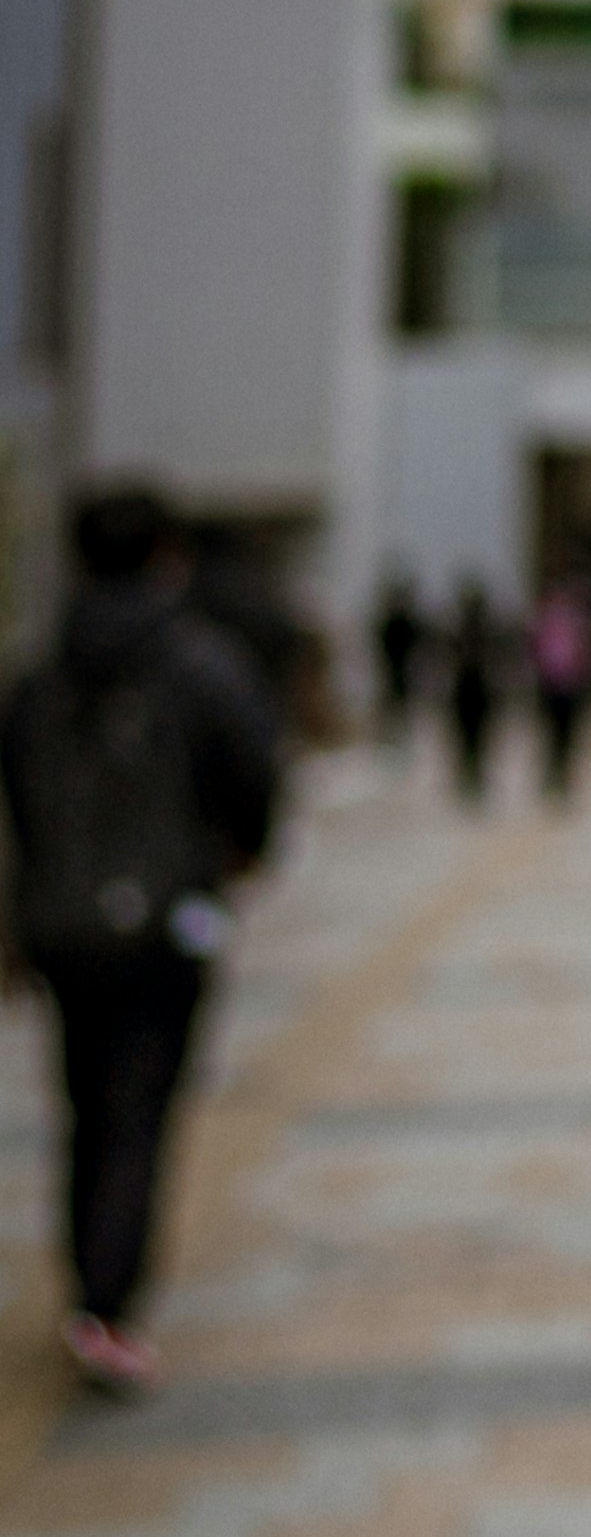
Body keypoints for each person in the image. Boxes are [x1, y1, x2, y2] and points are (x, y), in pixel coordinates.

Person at [2, 483, 283, 1390]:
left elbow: (18, 805)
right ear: (168, 556)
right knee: (139, 1109)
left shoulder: (39, 673)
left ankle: (89, 1282)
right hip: (166, 922)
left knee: (83, 1101)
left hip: (60, 925)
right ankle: (109, 1303)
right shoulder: (201, 663)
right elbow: (255, 778)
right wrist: (239, 852)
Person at [528, 574, 591, 805]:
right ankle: (554, 775)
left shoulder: (574, 622)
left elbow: (582, 653)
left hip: (568, 685)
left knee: (565, 733)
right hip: (551, 685)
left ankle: (562, 775)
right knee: (552, 733)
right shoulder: (544, 622)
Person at [445, 580, 503, 805]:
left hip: (477, 690)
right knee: (468, 736)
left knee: (476, 737)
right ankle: (469, 775)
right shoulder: (464, 631)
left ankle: (473, 774)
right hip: (468, 690)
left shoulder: (482, 631)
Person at [373, 574, 427, 746]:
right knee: (393, 706)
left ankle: (398, 738)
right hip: (394, 670)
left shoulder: (402, 623)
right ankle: (390, 739)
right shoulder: (394, 623)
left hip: (403, 671)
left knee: (400, 707)